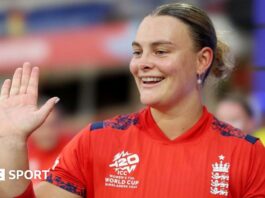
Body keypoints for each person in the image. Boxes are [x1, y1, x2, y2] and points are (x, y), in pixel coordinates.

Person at [0, 3, 264, 198]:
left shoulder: (246, 154)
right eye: (137, 52)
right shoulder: (96, 141)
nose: (143, 63)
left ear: (202, 60)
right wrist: (11, 144)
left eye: (161, 51)